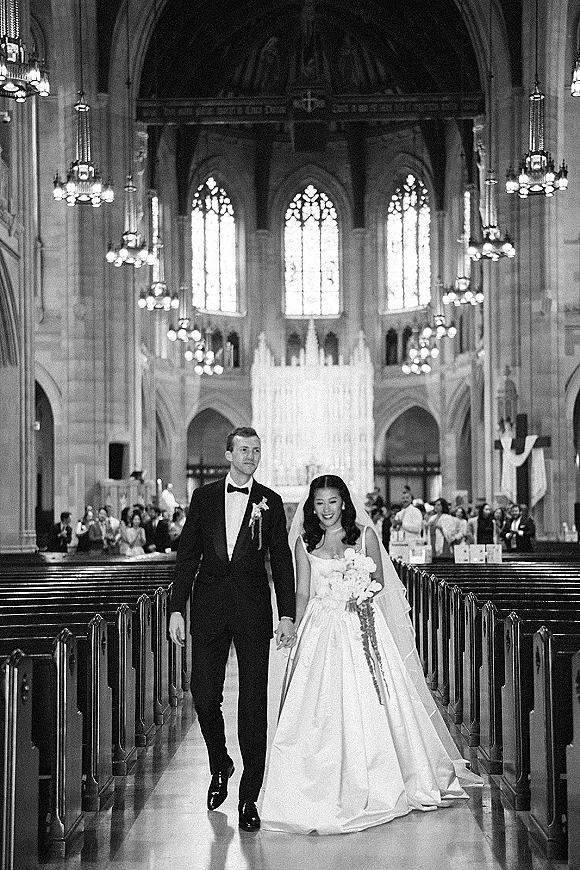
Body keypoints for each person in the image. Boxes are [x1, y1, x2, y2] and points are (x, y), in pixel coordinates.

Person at [260, 474, 480, 834]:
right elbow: (301, 592)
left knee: (373, 700)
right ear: (311, 507)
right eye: (319, 503)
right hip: (320, 626)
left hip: (361, 622)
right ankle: (315, 781)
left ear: (344, 502)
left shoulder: (365, 536)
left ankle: (384, 775)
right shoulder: (303, 542)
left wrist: (357, 595)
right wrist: (292, 627)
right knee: (318, 708)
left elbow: (378, 584)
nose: (326, 510)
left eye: (332, 502)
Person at [168, 427, 296, 832]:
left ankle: (249, 796)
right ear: (228, 454)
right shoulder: (204, 498)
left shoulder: (270, 502)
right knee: (204, 695)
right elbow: (188, 555)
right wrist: (176, 609)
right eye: (244, 450)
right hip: (208, 608)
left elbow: (281, 562)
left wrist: (287, 613)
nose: (251, 456)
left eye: (257, 450)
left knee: (253, 703)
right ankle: (220, 761)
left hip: (254, 609)